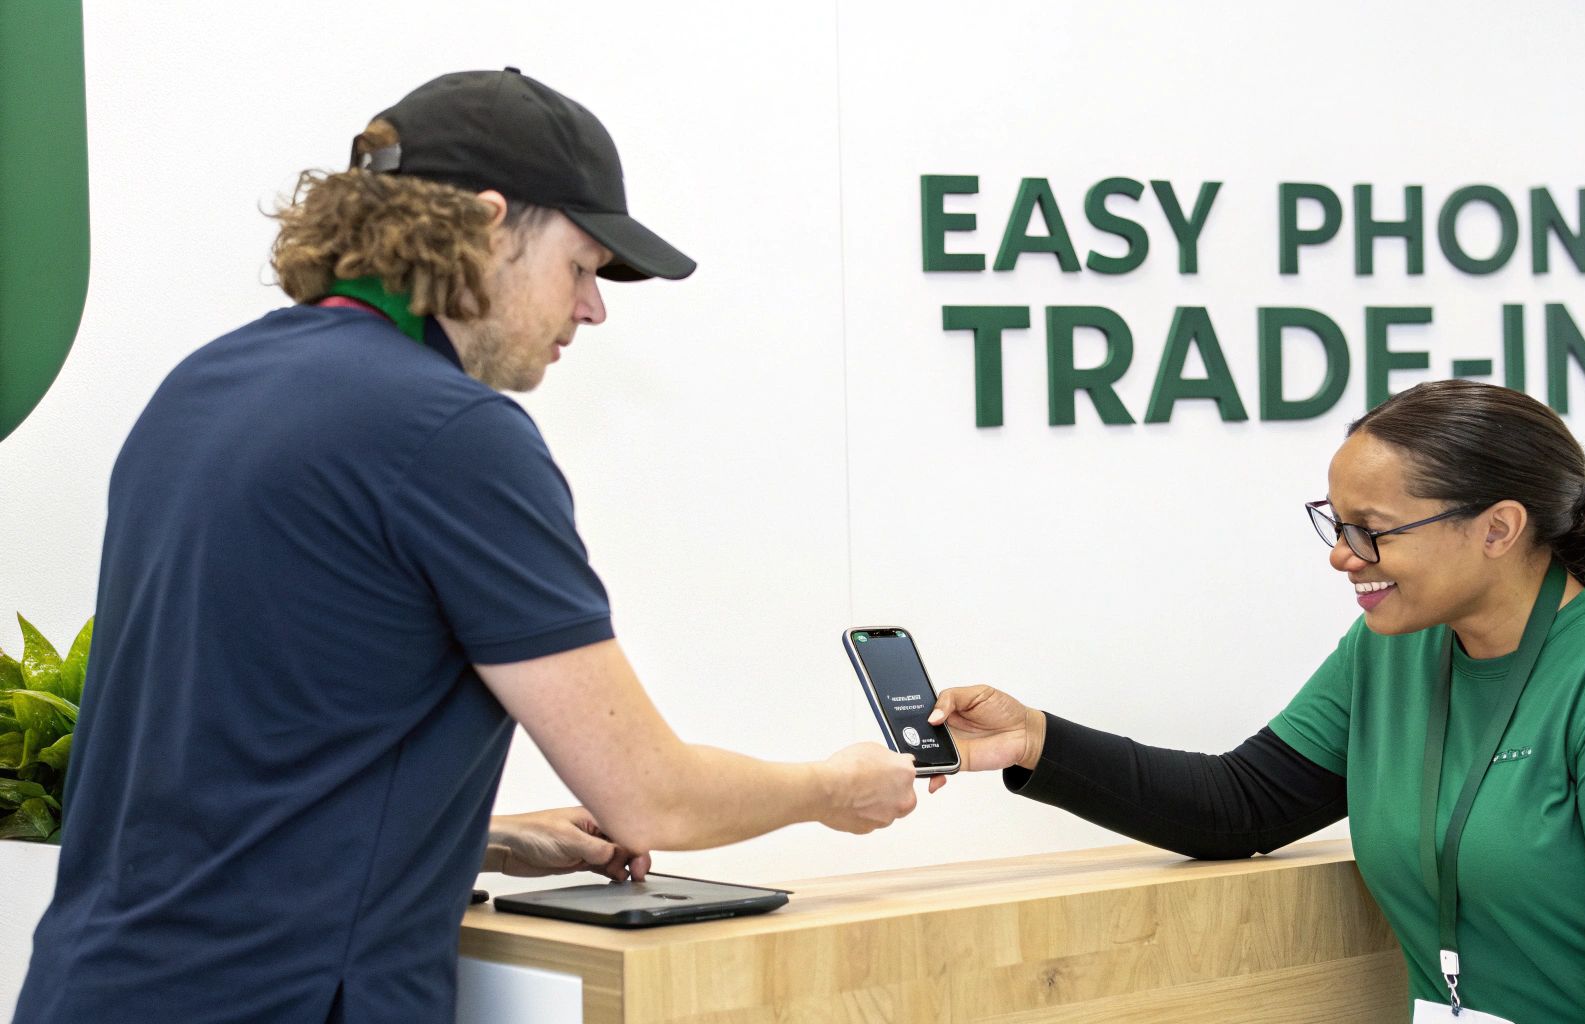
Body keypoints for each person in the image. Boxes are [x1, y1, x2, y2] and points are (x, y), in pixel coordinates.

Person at [16, 68, 918, 1022]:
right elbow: (654, 799)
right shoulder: (449, 433)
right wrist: (833, 787)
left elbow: (230, 764)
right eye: (581, 267)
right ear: (490, 224)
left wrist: (483, 838)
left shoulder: (203, 388)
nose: (594, 309)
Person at [926, 379, 1585, 1022]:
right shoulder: (1395, 650)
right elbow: (1242, 805)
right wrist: (1035, 741)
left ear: (1498, 529)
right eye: (1335, 522)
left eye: (1373, 531)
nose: (1342, 555)